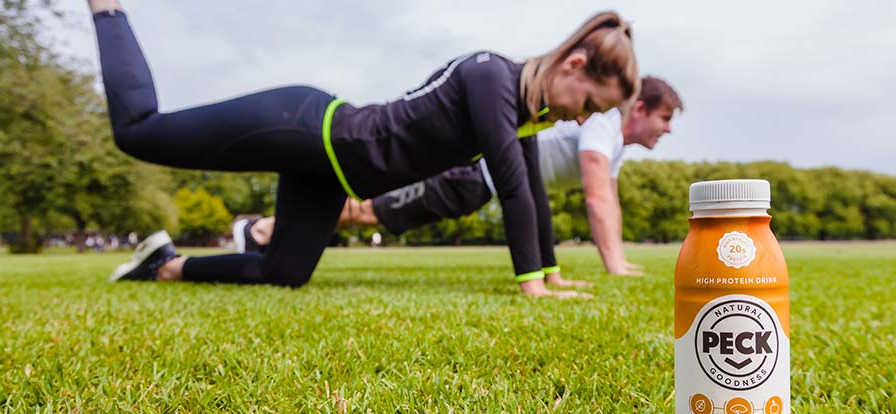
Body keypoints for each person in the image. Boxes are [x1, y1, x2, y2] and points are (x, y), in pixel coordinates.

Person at [92, 0, 638, 297]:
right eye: (590, 102)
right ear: (573, 66)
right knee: (139, 130)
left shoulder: (523, 112)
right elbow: (512, 189)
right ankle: (108, 9)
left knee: (284, 274)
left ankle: (165, 266)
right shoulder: (490, 76)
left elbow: (532, 189)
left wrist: (550, 269)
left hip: (330, 175)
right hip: (305, 128)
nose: (581, 117)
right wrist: (531, 286)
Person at [234, 76, 682, 279]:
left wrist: (620, 261)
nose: (667, 130)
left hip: (487, 184)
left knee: (375, 215)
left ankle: (269, 230)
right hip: (473, 171)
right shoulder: (603, 126)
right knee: (372, 212)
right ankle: (261, 229)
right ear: (638, 109)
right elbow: (597, 197)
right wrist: (613, 266)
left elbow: (611, 199)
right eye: (664, 118)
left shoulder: (617, 145)